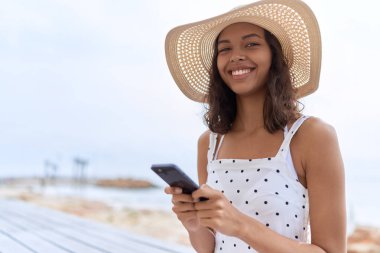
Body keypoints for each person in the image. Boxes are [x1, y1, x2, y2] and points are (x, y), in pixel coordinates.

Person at [164, 0, 346, 252]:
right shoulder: (210, 143)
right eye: (224, 49)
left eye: (251, 44)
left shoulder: (312, 136)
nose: (236, 55)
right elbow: (209, 247)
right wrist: (194, 224)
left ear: (275, 56)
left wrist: (241, 225)